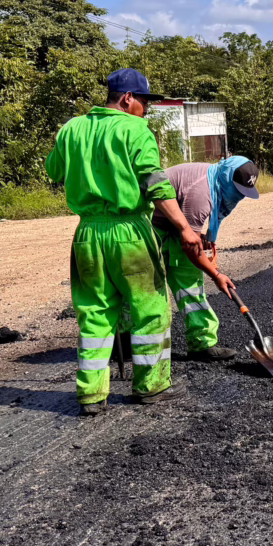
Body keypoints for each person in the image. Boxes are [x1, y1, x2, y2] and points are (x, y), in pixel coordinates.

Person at [45, 68, 232, 416]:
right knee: (150, 309)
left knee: (95, 313)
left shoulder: (71, 129)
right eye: (144, 102)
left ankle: (91, 394)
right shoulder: (135, 129)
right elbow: (156, 184)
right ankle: (151, 385)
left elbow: (54, 171)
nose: (145, 110)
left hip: (87, 235)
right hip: (129, 232)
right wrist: (184, 228)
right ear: (127, 98)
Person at [152, 157, 257, 361]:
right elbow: (190, 246)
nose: (239, 197)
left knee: (191, 284)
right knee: (149, 289)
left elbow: (194, 236)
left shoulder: (216, 181)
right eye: (237, 190)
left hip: (175, 228)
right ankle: (132, 341)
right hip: (151, 227)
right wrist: (215, 275)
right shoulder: (201, 193)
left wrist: (206, 247)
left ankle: (202, 344)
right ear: (227, 179)